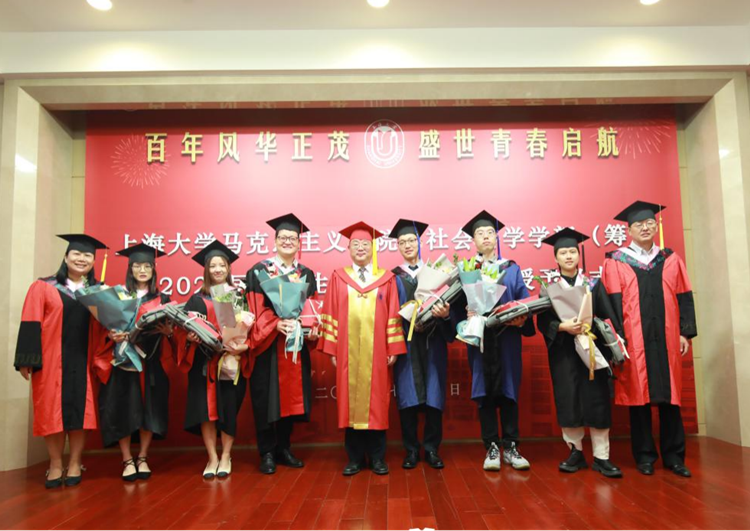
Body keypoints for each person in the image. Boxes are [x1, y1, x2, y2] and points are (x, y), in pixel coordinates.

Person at [600, 201, 697, 477]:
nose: (645, 227)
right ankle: (644, 456)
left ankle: (674, 457)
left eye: (650, 223)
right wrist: (617, 340)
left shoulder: (671, 259)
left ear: (656, 226)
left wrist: (684, 332)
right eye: (639, 224)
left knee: (670, 398)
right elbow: (610, 304)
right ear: (628, 230)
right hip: (634, 340)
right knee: (638, 397)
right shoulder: (616, 261)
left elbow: (684, 296)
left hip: (667, 338)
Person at [14, 234, 107, 488]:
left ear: (93, 262)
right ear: (66, 257)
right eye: (76, 254)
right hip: (51, 361)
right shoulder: (44, 286)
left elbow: (106, 327)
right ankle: (55, 464)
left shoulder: (98, 292)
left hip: (85, 360)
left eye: (87, 255)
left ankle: (75, 462)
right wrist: (27, 359)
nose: (81, 259)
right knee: (51, 414)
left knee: (81, 414)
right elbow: (31, 321)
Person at [317, 221, 407, 476]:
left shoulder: (386, 279)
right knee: (350, 402)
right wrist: (332, 349)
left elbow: (393, 315)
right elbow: (330, 312)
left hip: (377, 352)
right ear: (348, 248)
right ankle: (354, 458)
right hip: (347, 353)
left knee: (377, 401)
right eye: (355, 244)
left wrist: (392, 347)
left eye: (365, 244)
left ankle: (378, 458)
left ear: (373, 248)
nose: (360, 248)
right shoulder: (338, 277)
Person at [536, 229, 622, 478]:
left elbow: (608, 316)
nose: (569, 256)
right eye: (563, 252)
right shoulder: (549, 289)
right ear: (556, 258)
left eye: (573, 251)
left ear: (578, 255)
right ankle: (575, 452)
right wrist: (562, 326)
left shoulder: (593, 285)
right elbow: (543, 322)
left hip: (592, 349)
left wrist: (591, 326)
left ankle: (602, 456)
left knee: (597, 399)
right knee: (569, 398)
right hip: (564, 352)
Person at [455, 210, 535, 471]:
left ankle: (511, 446)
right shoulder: (467, 270)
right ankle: (491, 446)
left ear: (497, 237)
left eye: (490, 232)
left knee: (509, 391)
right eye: (480, 233)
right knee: (484, 393)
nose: (486, 237)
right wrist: (465, 314)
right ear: (473, 241)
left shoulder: (510, 268)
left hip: (507, 339)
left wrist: (521, 319)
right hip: (480, 340)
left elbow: (524, 301)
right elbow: (457, 308)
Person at [93, 243, 175, 481]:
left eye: (147, 266)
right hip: (124, 362)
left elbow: (173, 334)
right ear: (130, 269)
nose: (142, 270)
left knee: (150, 409)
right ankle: (127, 459)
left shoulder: (162, 298)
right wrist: (111, 335)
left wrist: (168, 332)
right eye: (137, 266)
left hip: (151, 362)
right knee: (124, 408)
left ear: (153, 269)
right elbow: (103, 329)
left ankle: (143, 457)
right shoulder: (118, 296)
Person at [246, 213, 318, 474]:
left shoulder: (306, 274)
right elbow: (253, 309)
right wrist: (275, 324)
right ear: (275, 241)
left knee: (290, 397)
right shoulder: (258, 271)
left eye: (293, 238)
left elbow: (311, 307)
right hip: (267, 346)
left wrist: (310, 327)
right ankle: (266, 452)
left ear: (299, 243)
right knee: (265, 398)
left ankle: (284, 448)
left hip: (293, 345)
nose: (288, 241)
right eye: (283, 237)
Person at [176, 240, 250, 479]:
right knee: (206, 412)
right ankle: (212, 457)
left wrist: (240, 344)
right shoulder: (196, 300)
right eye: (213, 266)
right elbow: (182, 334)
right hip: (203, 364)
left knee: (228, 409)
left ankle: (226, 455)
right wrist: (189, 338)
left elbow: (248, 328)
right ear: (206, 269)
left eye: (222, 265)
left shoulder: (238, 296)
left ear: (228, 268)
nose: (218, 269)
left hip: (230, 361)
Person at [389, 218, 451, 470]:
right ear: (398, 246)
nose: (407, 245)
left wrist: (444, 315)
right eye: (402, 242)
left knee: (434, 396)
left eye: (411, 241)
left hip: (433, 343)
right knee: (408, 397)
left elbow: (451, 308)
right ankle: (411, 450)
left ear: (419, 242)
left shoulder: (436, 274)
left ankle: (432, 449)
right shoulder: (393, 277)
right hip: (406, 344)